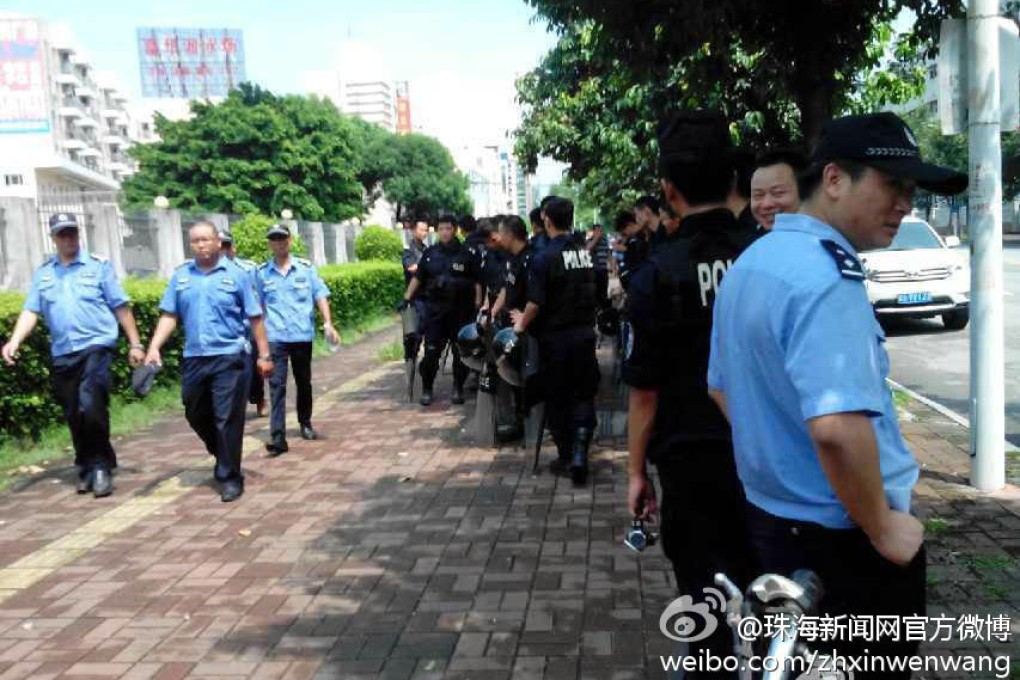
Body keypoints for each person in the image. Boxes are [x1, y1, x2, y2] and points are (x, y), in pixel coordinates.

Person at [708, 112, 967, 677]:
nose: (905, 203)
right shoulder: (827, 278)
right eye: (891, 184)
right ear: (832, 180)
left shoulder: (755, 261)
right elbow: (837, 429)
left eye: (911, 189)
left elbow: (721, 388)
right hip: (844, 545)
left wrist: (780, 456)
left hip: (773, 524)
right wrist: (884, 527)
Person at [624, 111, 759, 678]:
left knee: (704, 594)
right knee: (772, 589)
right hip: (768, 458)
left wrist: (635, 473)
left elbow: (645, 392)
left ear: (667, 190)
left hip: (689, 457)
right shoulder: (767, 256)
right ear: (734, 180)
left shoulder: (657, 274)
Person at [2, 213, 145, 498]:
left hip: (97, 346)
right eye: (62, 234)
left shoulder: (98, 267)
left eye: (72, 233)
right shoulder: (44, 274)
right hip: (64, 352)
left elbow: (120, 306)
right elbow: (32, 310)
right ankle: (86, 464)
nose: (68, 239)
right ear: (53, 238)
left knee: (91, 404)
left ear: (79, 235)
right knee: (74, 412)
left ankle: (101, 467)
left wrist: (135, 343)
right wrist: (14, 341)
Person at [145, 221, 273, 502]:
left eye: (206, 239)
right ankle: (224, 452)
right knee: (194, 411)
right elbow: (169, 315)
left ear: (218, 242)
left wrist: (263, 355)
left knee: (226, 417)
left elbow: (255, 317)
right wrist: (154, 346)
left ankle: (229, 476)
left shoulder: (237, 276)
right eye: (195, 241)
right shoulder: (181, 277)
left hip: (229, 356)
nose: (201, 245)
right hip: (195, 358)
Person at [513, 197, 599, 484]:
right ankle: (580, 454)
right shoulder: (584, 252)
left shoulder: (544, 257)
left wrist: (520, 324)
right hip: (585, 335)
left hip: (556, 339)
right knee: (584, 394)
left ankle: (566, 456)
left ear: (547, 219)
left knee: (558, 398)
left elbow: (535, 302)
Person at [256, 223, 340, 455]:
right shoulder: (262, 273)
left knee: (304, 382)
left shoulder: (305, 269)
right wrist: (259, 339)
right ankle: (278, 436)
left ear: (289, 241)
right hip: (275, 337)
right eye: (274, 239)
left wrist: (328, 322)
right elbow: (259, 308)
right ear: (270, 243)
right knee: (276, 386)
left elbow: (320, 295)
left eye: (282, 238)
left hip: (301, 335)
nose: (279, 242)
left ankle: (305, 422)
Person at [401, 215, 482, 406]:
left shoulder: (467, 253)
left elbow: (478, 280)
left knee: (460, 353)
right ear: (437, 230)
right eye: (441, 228)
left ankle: (457, 387)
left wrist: (477, 302)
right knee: (430, 353)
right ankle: (427, 388)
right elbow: (418, 277)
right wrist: (406, 298)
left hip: (460, 311)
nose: (444, 232)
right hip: (435, 311)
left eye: (448, 228)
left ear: (454, 229)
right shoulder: (430, 253)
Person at [220, 230, 267, 418]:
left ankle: (259, 399)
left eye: (226, 245)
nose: (223, 250)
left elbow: (260, 295)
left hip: (249, 327)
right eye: (220, 245)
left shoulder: (248, 269)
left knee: (256, 369)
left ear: (233, 248)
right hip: (227, 330)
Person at [750, 148, 807, 232]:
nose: (766, 204)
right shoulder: (748, 243)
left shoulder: (822, 240)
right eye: (758, 195)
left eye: (778, 193)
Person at [613, 210, 647, 291]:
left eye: (624, 233)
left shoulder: (642, 235)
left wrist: (625, 249)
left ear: (629, 225)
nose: (624, 236)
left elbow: (640, 257)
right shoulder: (632, 238)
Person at [585, 223, 611, 310]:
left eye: (600, 230)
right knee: (594, 292)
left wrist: (612, 266)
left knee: (604, 292)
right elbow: (587, 249)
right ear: (593, 231)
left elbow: (609, 254)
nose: (599, 232)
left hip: (603, 270)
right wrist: (596, 238)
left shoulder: (605, 241)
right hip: (594, 271)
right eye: (597, 230)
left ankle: (603, 311)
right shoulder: (589, 240)